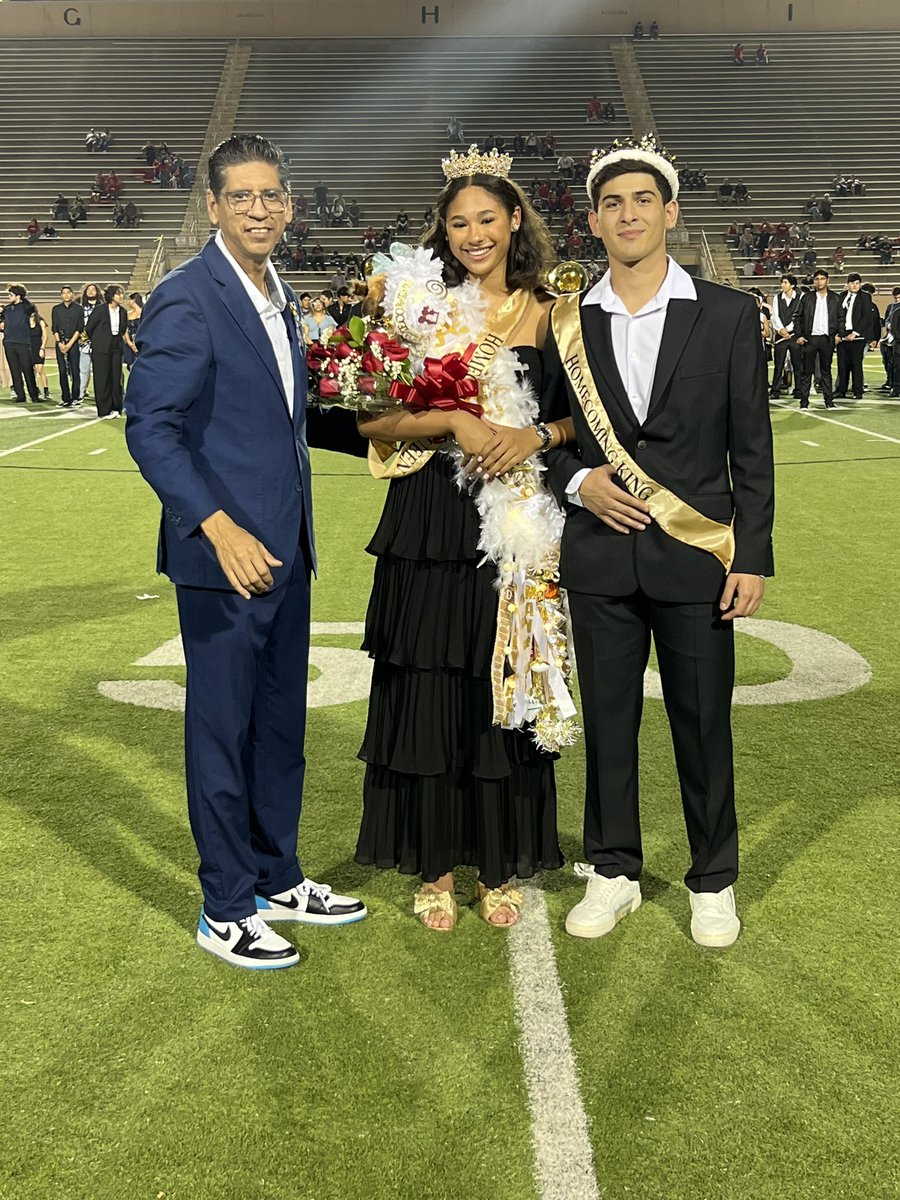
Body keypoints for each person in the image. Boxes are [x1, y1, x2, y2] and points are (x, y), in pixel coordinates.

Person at [125, 133, 366, 970]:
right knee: (222, 732)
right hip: (224, 554)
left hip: (286, 549)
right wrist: (216, 527)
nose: (260, 210)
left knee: (278, 725)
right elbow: (149, 428)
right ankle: (226, 904)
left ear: (290, 206)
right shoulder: (189, 297)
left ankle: (277, 874)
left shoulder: (280, 293)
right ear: (214, 206)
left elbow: (286, 420)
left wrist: (386, 439)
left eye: (272, 196)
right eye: (243, 197)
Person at [540, 138, 774, 949]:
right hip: (600, 556)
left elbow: (753, 449)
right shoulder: (564, 319)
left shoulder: (728, 313)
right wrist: (578, 483)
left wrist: (752, 554)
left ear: (670, 213)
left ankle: (714, 879)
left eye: (643, 200)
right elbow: (551, 437)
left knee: (702, 725)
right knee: (608, 724)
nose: (628, 214)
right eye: (612, 203)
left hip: (697, 558)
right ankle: (613, 871)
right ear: (595, 221)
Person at [354, 149, 572, 932]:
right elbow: (372, 420)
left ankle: (499, 862)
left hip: (513, 522)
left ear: (516, 219)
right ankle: (436, 865)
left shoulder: (554, 312)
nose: (475, 234)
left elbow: (591, 415)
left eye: (488, 218)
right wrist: (454, 418)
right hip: (429, 522)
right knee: (429, 685)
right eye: (459, 223)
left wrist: (536, 432)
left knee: (501, 684)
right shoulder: (418, 305)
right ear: (441, 234)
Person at [794, 269, 841, 408]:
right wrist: (799, 335)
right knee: (806, 372)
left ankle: (829, 401)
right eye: (817, 279)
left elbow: (840, 318)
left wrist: (839, 335)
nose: (819, 281)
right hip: (810, 339)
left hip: (827, 338)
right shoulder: (807, 297)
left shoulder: (835, 298)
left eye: (822, 278)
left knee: (826, 371)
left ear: (827, 280)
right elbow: (797, 317)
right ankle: (804, 402)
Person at [86, 284, 130, 418]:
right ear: (111, 296)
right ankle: (104, 410)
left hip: (116, 347)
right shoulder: (100, 310)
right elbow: (89, 328)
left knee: (116, 378)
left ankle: (116, 407)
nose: (121, 296)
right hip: (100, 348)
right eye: (118, 294)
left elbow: (122, 330)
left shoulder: (122, 311)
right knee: (102, 378)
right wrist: (100, 340)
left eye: (122, 294)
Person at [834, 273, 878, 400]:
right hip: (843, 336)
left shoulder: (865, 297)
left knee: (856, 365)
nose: (854, 285)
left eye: (857, 283)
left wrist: (855, 332)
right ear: (847, 284)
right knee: (842, 365)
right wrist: (839, 333)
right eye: (852, 283)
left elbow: (866, 318)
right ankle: (841, 390)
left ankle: (857, 391)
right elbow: (837, 316)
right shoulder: (841, 296)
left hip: (857, 337)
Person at [1, 284, 41, 404]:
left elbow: (32, 311)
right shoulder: (7, 309)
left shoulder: (26, 307)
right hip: (9, 343)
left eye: (11, 295)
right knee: (15, 370)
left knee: (27, 369)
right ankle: (20, 395)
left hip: (22, 343)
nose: (9, 297)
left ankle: (34, 395)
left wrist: (22, 296)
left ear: (18, 296)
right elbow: (2, 323)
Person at [770, 274, 802, 399]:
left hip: (794, 335)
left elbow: (799, 315)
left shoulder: (800, 298)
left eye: (785, 282)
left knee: (797, 364)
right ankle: (775, 390)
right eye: (782, 282)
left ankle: (798, 389)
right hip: (781, 336)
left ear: (792, 285)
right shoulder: (777, 298)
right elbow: (775, 316)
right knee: (779, 364)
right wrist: (781, 330)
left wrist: (788, 330)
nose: (783, 285)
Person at [78, 282, 101, 403]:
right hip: (84, 344)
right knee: (83, 370)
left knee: (100, 371)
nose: (91, 291)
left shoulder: (102, 307)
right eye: (89, 289)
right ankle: (80, 394)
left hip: (100, 344)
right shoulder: (80, 308)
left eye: (93, 289)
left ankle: (101, 394)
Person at [123, 292, 143, 371]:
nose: (127, 302)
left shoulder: (144, 313)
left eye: (129, 300)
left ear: (133, 300)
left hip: (141, 343)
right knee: (131, 366)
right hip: (129, 343)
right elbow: (125, 329)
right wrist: (129, 343)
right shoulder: (128, 314)